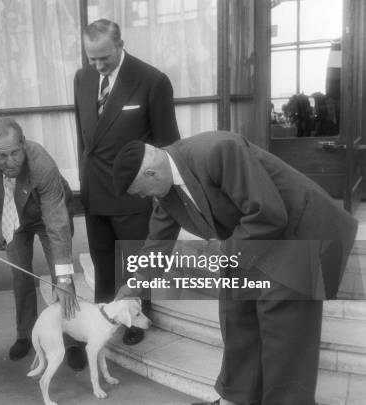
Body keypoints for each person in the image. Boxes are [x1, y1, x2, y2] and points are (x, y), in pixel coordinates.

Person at [112, 132, 358, 405]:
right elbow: (157, 241)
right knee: (235, 312)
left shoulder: (219, 150)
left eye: (139, 190)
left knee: (285, 334)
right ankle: (237, 399)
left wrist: (224, 255)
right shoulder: (166, 191)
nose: (143, 197)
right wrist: (134, 286)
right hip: (254, 239)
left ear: (150, 174)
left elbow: (268, 214)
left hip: (299, 234)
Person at [73, 18, 180, 345]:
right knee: (103, 262)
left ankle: (136, 319)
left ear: (120, 45)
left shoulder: (152, 81)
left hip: (133, 194)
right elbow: (84, 137)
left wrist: (165, 195)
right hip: (95, 192)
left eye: (104, 57)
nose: (98, 65)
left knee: (134, 261)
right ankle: (106, 316)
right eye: (92, 58)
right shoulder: (82, 77)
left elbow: (168, 144)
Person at [0, 118, 85, 368]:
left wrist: (64, 279)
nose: (9, 162)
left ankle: (72, 339)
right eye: (1, 156)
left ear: (23, 144)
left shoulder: (41, 163)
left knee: (61, 276)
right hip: (11, 217)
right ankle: (26, 334)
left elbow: (57, 223)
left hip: (48, 216)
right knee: (20, 275)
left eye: (14, 153)